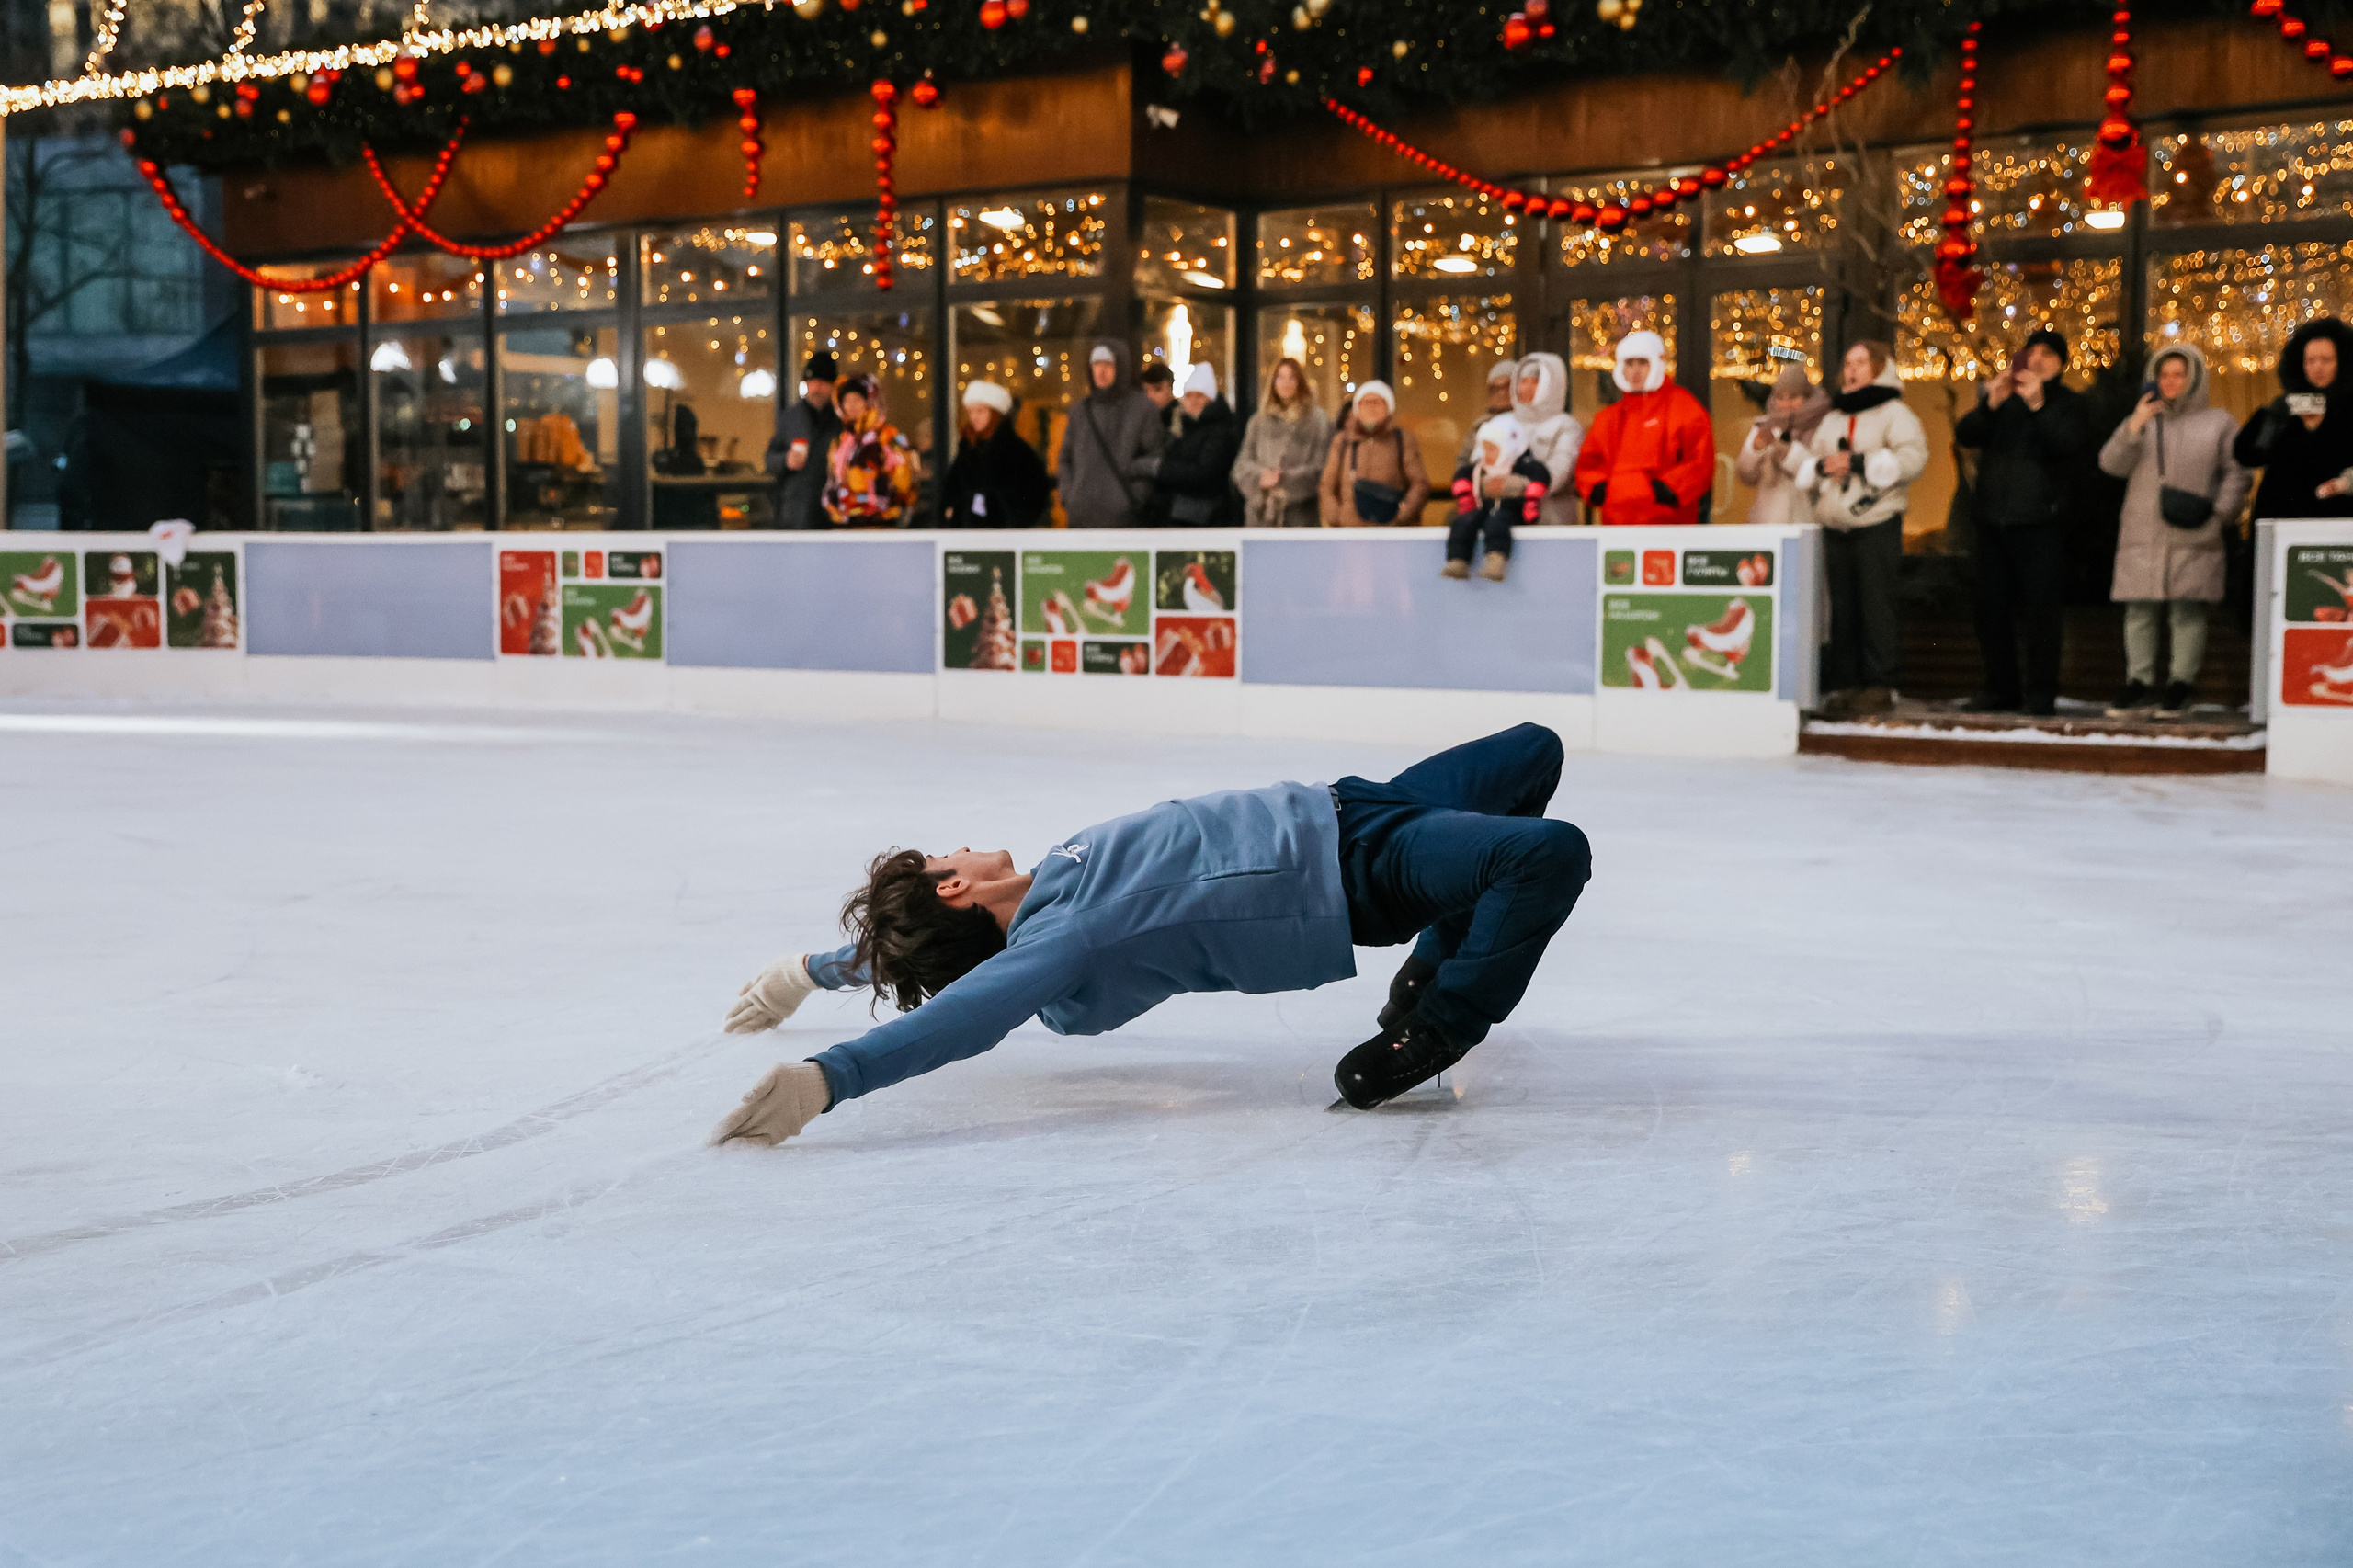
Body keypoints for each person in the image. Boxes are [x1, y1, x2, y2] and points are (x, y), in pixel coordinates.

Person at [711, 723, 1592, 1144]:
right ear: (954, 888)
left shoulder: (1053, 879)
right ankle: (1437, 1023)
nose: (963, 842)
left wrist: (811, 972)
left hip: (1353, 803)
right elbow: (971, 1014)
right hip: (1357, 874)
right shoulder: (1067, 941)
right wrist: (836, 1076)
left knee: (1532, 753)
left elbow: (910, 939)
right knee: (1546, 856)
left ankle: (1436, 963)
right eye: (950, 853)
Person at [2099, 343, 2252, 717]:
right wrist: (2135, 425)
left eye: (2178, 374)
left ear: (2194, 377)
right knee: (2140, 610)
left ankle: (2180, 684)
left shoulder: (2219, 422)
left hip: (2194, 530)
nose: (2170, 381)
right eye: (2163, 374)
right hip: (2142, 531)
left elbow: (2238, 472)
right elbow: (2110, 465)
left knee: (2186, 611)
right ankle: (2139, 682)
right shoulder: (2142, 419)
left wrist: (2220, 514)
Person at [1953, 327, 2096, 716]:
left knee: (2041, 614)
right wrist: (1990, 404)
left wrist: (2039, 406)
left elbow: (2068, 444)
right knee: (1992, 611)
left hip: (2040, 524)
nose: (2036, 359)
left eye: (2048, 354)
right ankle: (2000, 690)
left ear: (2061, 363)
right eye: (2031, 352)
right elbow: (1965, 434)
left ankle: (2040, 694)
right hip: (1993, 522)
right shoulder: (2007, 402)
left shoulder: (2069, 403)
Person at [1790, 340, 1928, 716]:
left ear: (1880, 368)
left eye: (1861, 362)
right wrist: (1822, 467)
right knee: (1844, 609)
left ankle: (1880, 684)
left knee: (1876, 605)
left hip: (1875, 523)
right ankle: (1847, 683)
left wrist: (1861, 462)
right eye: (1848, 363)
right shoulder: (1834, 417)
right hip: (1836, 527)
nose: (1851, 370)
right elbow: (1813, 461)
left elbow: (1913, 458)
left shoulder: (1894, 413)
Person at [1571, 330, 1712, 526]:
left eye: (1642, 363)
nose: (1635, 371)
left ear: (1657, 363)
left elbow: (1700, 462)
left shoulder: (1684, 409)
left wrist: (1668, 489)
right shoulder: (1608, 419)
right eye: (1629, 363)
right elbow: (1589, 464)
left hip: (1670, 527)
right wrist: (1597, 488)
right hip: (1616, 527)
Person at [2232, 316, 2353, 521]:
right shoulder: (2283, 409)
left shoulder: (2349, 411)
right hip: (2283, 525)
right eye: (2310, 360)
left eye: (2326, 360)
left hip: (2338, 526)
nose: (2317, 367)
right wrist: (2274, 419)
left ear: (2341, 362)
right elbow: (2247, 454)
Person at [1057, 340, 1166, 528]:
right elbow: (1065, 458)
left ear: (1121, 367)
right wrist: (1070, 496)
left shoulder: (1142, 408)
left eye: (1108, 364)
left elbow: (1154, 456)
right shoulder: (1080, 411)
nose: (1101, 371)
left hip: (1123, 519)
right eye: (1096, 364)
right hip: (1081, 516)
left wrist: (1132, 499)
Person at [1444, 415, 1549, 582]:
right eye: (1484, 449)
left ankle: (1496, 561)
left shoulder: (1521, 466)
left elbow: (1540, 476)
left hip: (1510, 511)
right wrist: (1465, 495)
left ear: (1507, 447)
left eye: (1492, 449)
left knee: (1497, 521)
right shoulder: (1480, 469)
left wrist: (1531, 501)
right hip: (1483, 509)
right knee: (1463, 522)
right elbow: (1462, 475)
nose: (1487, 455)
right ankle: (1458, 560)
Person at [1232, 357, 1333, 528]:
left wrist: (1285, 480)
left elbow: (1322, 467)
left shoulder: (1318, 421)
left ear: (1300, 381)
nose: (1285, 383)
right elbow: (1241, 465)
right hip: (1260, 516)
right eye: (1279, 377)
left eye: (1291, 377)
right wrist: (1261, 478)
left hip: (1300, 518)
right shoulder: (1258, 421)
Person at [1142, 363, 1243, 528]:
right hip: (1179, 515)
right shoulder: (1182, 428)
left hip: (1206, 518)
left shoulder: (1220, 430)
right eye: (1189, 395)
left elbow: (1204, 473)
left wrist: (1160, 469)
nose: (1194, 401)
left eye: (1200, 396)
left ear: (1210, 399)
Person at [940, 380, 1051, 529]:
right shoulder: (967, 451)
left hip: (1006, 539)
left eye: (980, 411)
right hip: (967, 538)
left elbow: (1034, 496)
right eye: (971, 411)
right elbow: (949, 493)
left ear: (995, 414)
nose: (974, 417)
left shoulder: (1017, 452)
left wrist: (1004, 514)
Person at [1318, 380, 1428, 527]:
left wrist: (1402, 515)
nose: (1370, 408)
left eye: (1376, 403)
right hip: (1350, 533)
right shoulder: (1342, 441)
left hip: (1392, 535)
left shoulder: (1403, 440)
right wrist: (1335, 517)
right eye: (1365, 403)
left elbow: (1420, 484)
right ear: (1357, 408)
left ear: (1388, 407)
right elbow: (1327, 485)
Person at [1735, 364, 1831, 527]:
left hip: (1807, 523)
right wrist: (1756, 449)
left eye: (1793, 397)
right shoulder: (1765, 426)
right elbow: (1745, 475)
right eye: (1780, 397)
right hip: (1768, 524)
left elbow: (1821, 475)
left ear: (1807, 397)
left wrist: (1788, 453)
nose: (1786, 403)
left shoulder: (1825, 425)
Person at [821, 374, 921, 528]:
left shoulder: (887, 438)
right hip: (846, 524)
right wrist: (831, 505)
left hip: (881, 524)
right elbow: (832, 481)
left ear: (869, 402)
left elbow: (906, 484)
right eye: (846, 401)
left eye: (857, 400)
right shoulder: (841, 443)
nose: (851, 406)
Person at [764, 352, 842, 531]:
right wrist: (786, 460)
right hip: (795, 515)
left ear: (832, 385)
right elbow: (769, 459)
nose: (815, 388)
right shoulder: (791, 418)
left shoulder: (842, 420)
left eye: (821, 382)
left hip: (832, 515)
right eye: (810, 382)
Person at [1508, 352, 1585, 528]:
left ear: (1550, 385)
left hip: (1554, 521)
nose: (1526, 388)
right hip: (1509, 522)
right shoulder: (1505, 423)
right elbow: (1485, 461)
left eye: (1535, 382)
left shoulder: (1566, 426)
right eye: (1523, 381)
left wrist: (1519, 485)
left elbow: (1561, 468)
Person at [1452, 361, 1518, 475]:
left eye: (1507, 386)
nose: (1501, 393)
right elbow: (1463, 462)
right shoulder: (1479, 427)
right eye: (1495, 388)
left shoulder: (1528, 423)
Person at [1139, 362, 1178, 437]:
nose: (1150, 396)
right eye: (1145, 390)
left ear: (1170, 389)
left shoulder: (1183, 419)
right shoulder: (1140, 419)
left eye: (1157, 389)